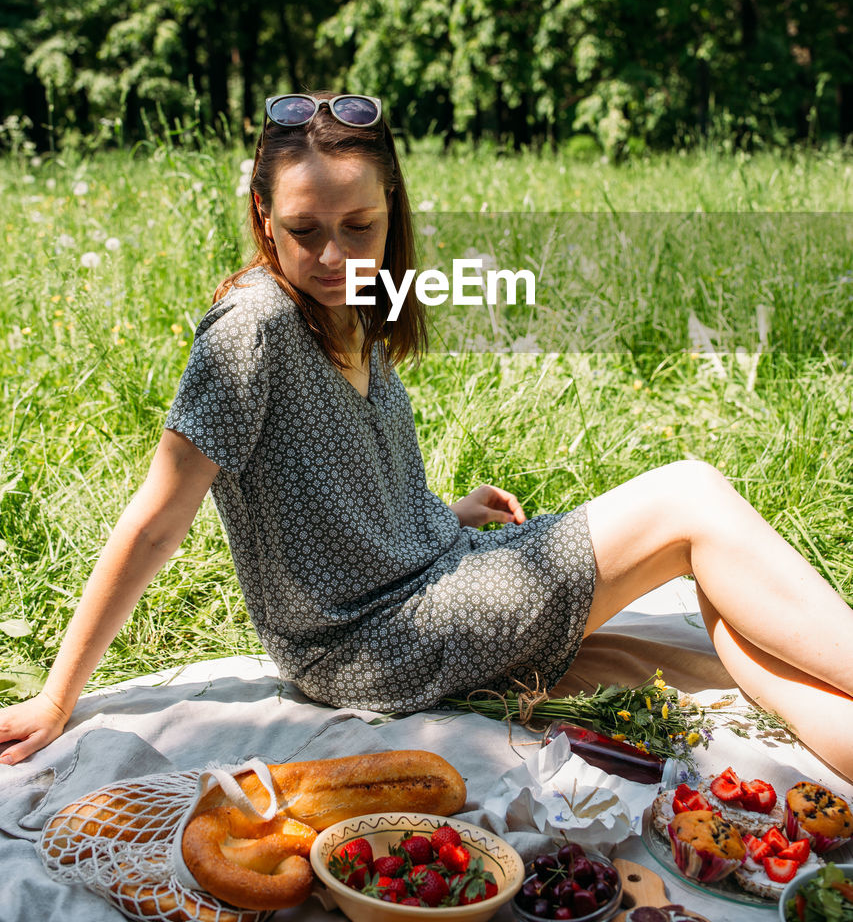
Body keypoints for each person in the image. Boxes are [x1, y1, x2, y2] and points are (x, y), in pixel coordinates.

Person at [1, 90, 852, 779]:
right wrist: (57, 697)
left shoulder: (354, 313)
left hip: (435, 580)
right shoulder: (250, 330)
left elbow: (326, 496)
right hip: (372, 647)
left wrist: (443, 513)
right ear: (263, 219)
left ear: (389, 210)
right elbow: (155, 519)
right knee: (692, 498)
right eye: (303, 231)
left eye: (358, 227)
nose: (333, 253)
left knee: (730, 610)